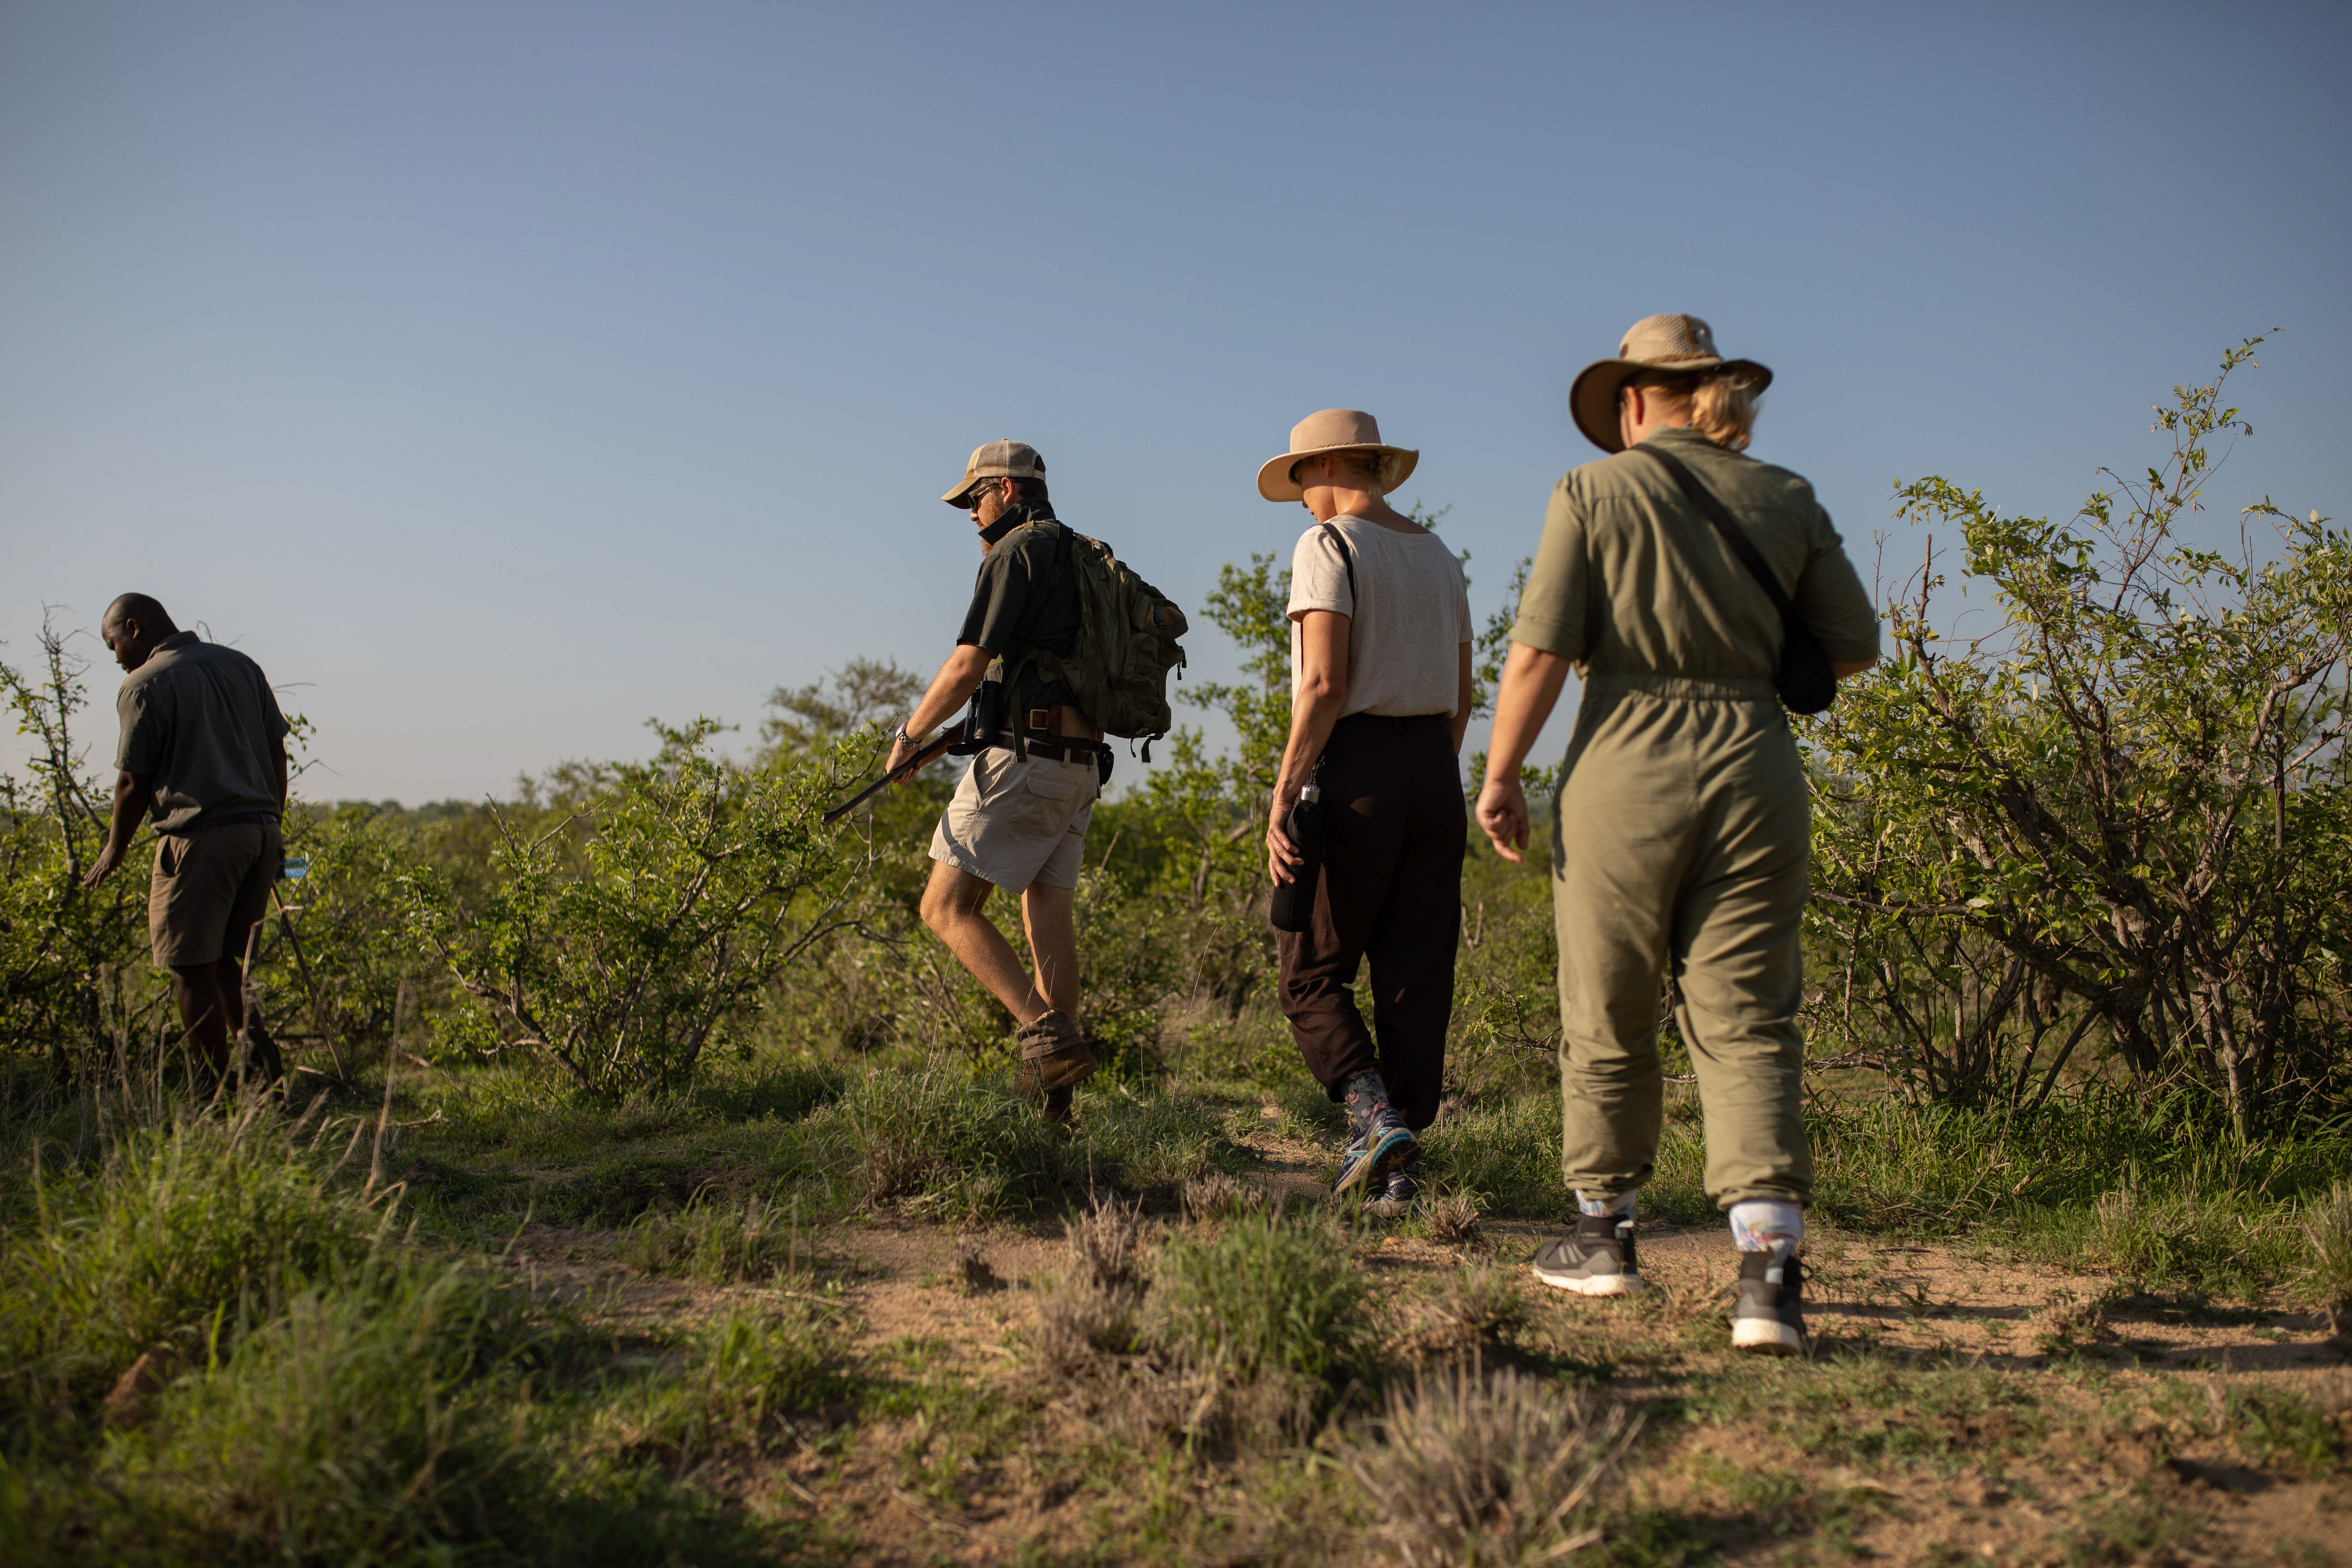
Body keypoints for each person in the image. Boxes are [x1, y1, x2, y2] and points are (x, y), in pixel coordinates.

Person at [1475, 316, 1880, 1353]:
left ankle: (1603, 1235)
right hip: (1757, 763)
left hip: (1627, 759)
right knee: (1748, 1016)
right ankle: (1768, 1276)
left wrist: (1502, 773)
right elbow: (1852, 649)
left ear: (1631, 400)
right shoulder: (1785, 496)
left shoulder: (1594, 490)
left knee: (1609, 1002)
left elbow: (1540, 654)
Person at [889, 440, 1184, 1116]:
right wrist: (945, 744)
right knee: (1045, 912)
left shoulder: (1017, 553)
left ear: (1009, 490)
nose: (969, 513)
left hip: (1029, 761)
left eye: (975, 497)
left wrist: (908, 735)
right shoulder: (1083, 554)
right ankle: (1055, 1108)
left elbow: (969, 665)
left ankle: (1047, 1040)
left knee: (945, 908)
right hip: (1077, 768)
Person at [1259, 410, 1474, 1211]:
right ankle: (1404, 1173)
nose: (1302, 498)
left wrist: (1285, 793)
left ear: (1336, 465)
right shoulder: (1439, 556)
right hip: (1433, 772)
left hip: (1354, 772)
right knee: (1416, 976)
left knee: (1309, 969)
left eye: (1304, 478)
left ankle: (1373, 1113)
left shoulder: (1329, 546)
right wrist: (1427, 772)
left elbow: (1323, 684)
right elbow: (1462, 695)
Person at [82, 593, 291, 1087]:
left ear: (133, 628)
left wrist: (114, 849)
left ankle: (213, 1100)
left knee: (189, 971)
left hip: (200, 840)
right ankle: (266, 1089)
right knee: (225, 966)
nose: (115, 659)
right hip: (260, 834)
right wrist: (274, 824)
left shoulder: (144, 684)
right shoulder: (241, 666)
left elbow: (134, 781)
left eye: (113, 645)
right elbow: (277, 752)